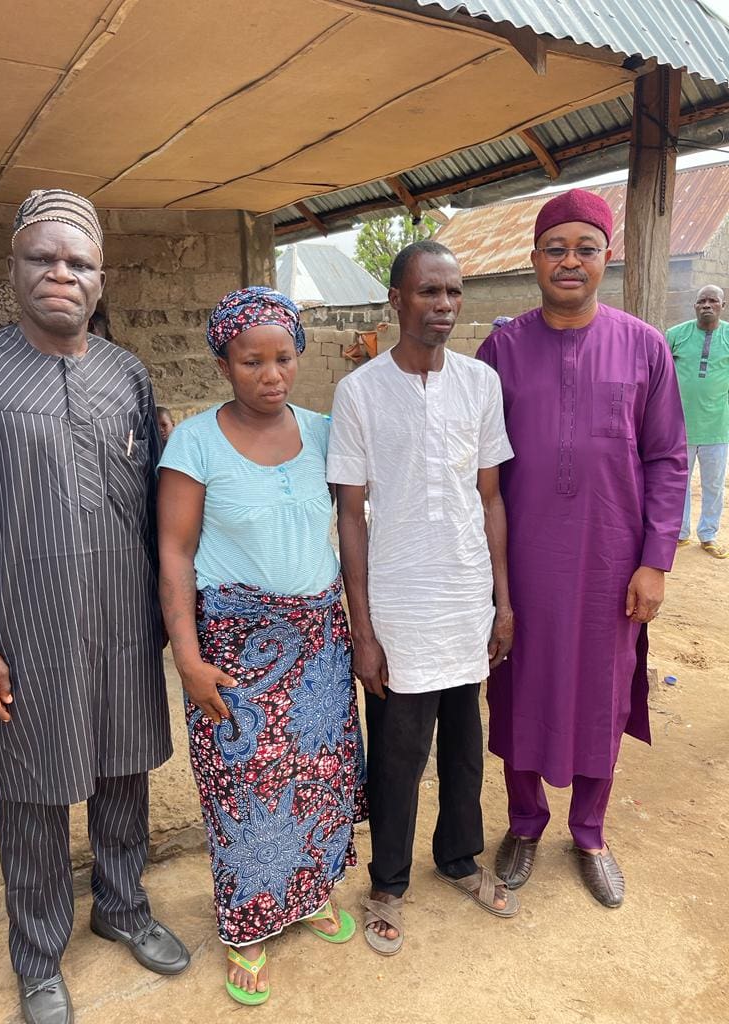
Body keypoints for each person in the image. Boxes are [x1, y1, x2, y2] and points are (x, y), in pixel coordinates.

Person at [0, 189, 189, 1024]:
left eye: (79, 262)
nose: (61, 273)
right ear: (11, 270)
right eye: (43, 258)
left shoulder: (127, 373)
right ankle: (37, 953)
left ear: (101, 279)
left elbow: (163, 504)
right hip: (25, 626)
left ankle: (122, 906)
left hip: (122, 622)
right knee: (32, 792)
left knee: (124, 771)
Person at [477, 189, 687, 908]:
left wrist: (655, 560)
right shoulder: (502, 350)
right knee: (518, 683)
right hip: (523, 562)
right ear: (535, 258)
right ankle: (525, 822)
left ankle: (590, 832)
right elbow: (478, 465)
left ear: (607, 257)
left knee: (604, 688)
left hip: (611, 561)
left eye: (585, 248)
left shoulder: (645, 346)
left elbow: (668, 460)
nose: (570, 261)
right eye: (556, 248)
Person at [157, 286, 366, 1005]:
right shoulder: (195, 443)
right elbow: (175, 552)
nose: (271, 375)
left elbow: (355, 523)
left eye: (283, 358)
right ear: (224, 364)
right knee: (243, 786)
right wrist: (187, 658)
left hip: (319, 644)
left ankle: (306, 893)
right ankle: (247, 924)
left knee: (317, 777)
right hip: (235, 647)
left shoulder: (327, 431)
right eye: (252, 361)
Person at [327, 240, 519, 957]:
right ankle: (388, 883)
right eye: (429, 291)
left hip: (465, 594)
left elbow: (491, 499)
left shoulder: (480, 384)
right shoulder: (359, 392)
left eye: (454, 292)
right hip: (399, 601)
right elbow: (350, 515)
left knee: (465, 743)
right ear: (397, 300)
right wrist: (363, 628)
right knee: (399, 752)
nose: (444, 305)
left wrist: (502, 602)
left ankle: (459, 858)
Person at [666, 285, 729, 558]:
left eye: (713, 301)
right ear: (694, 306)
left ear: (722, 306)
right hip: (679, 428)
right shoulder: (676, 335)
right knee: (679, 483)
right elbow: (659, 372)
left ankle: (709, 534)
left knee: (713, 485)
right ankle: (680, 532)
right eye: (701, 301)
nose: (707, 305)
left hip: (717, 427)